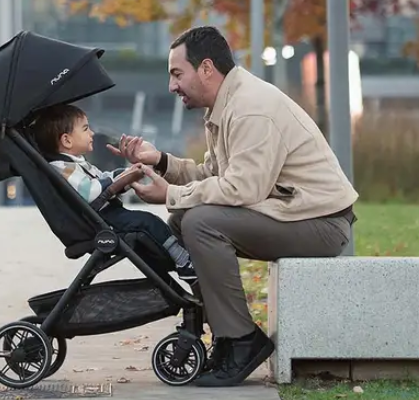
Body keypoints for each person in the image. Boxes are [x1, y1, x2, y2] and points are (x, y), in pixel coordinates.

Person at [106, 26, 359, 387]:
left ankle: (242, 340)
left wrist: (171, 195)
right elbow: (212, 175)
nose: (171, 86)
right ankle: (223, 335)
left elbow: (243, 188)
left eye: (177, 74)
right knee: (183, 222)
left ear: (206, 68)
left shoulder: (250, 110)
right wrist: (161, 161)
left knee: (199, 223)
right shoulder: (228, 104)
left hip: (319, 223)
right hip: (289, 214)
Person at [28, 104, 197, 282]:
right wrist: (121, 179)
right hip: (102, 221)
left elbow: (102, 178)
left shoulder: (76, 164)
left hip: (106, 215)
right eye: (86, 129)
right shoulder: (63, 168)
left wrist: (125, 175)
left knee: (150, 222)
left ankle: (175, 261)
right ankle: (183, 262)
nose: (92, 133)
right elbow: (91, 191)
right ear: (67, 140)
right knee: (148, 222)